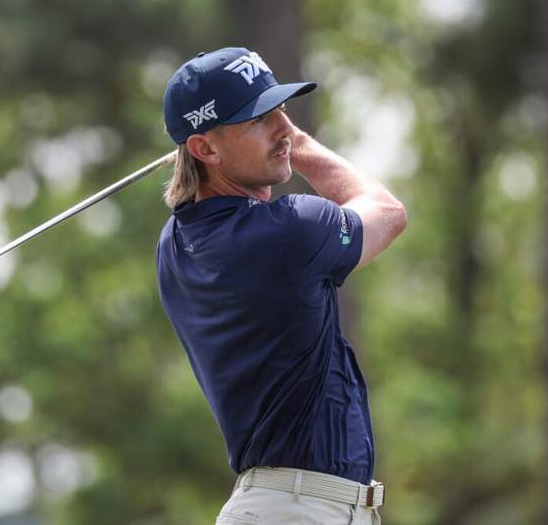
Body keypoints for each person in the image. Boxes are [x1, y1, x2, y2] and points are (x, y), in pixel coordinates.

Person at [156, 47, 407, 525]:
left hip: (287, 507)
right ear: (204, 148)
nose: (281, 130)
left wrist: (238, 139)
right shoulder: (289, 231)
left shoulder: (174, 245)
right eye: (258, 120)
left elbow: (194, 200)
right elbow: (387, 211)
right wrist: (300, 141)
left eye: (281, 112)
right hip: (298, 511)